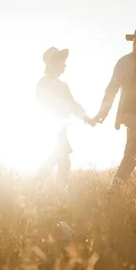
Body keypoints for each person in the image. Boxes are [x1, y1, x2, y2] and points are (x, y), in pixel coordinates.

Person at [91, 25, 136, 197]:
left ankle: (112, 192)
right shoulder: (124, 62)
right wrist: (103, 112)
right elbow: (112, 88)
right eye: (135, 43)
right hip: (130, 114)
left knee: (132, 158)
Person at [35, 47, 94, 187]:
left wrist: (85, 117)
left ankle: (39, 186)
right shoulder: (43, 83)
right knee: (61, 159)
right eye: (62, 62)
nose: (65, 65)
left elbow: (72, 103)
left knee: (59, 158)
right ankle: (40, 186)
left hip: (61, 128)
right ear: (52, 64)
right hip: (52, 127)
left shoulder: (63, 85)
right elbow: (47, 104)